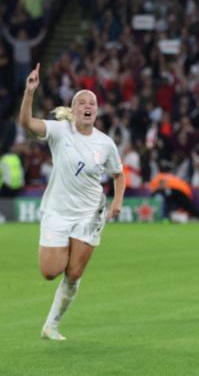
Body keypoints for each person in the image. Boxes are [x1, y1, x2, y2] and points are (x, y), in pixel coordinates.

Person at [19, 64, 125, 340]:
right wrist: (30, 93)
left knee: (74, 273)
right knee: (50, 272)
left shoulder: (105, 144)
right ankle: (61, 246)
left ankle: (51, 325)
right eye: (82, 102)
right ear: (74, 109)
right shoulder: (59, 130)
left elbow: (118, 174)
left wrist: (117, 202)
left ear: (96, 111)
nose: (88, 106)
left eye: (92, 103)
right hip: (57, 211)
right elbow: (28, 124)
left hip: (90, 213)